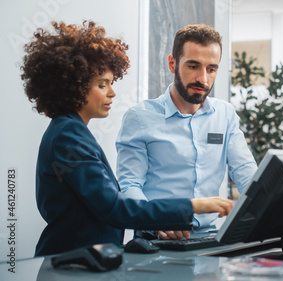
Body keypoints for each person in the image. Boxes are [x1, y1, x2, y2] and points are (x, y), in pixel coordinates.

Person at [21, 20, 234, 257]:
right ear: (75, 86)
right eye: (102, 85)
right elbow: (116, 208)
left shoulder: (71, 131)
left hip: (86, 261)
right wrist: (195, 206)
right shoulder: (67, 136)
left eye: (111, 83)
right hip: (70, 263)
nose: (112, 92)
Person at [116, 24, 257, 240]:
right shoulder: (139, 118)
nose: (203, 79)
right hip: (156, 238)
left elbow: (246, 172)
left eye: (211, 69)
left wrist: (269, 202)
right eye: (193, 66)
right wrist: (154, 222)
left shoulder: (225, 114)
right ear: (172, 64)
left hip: (211, 237)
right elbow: (130, 185)